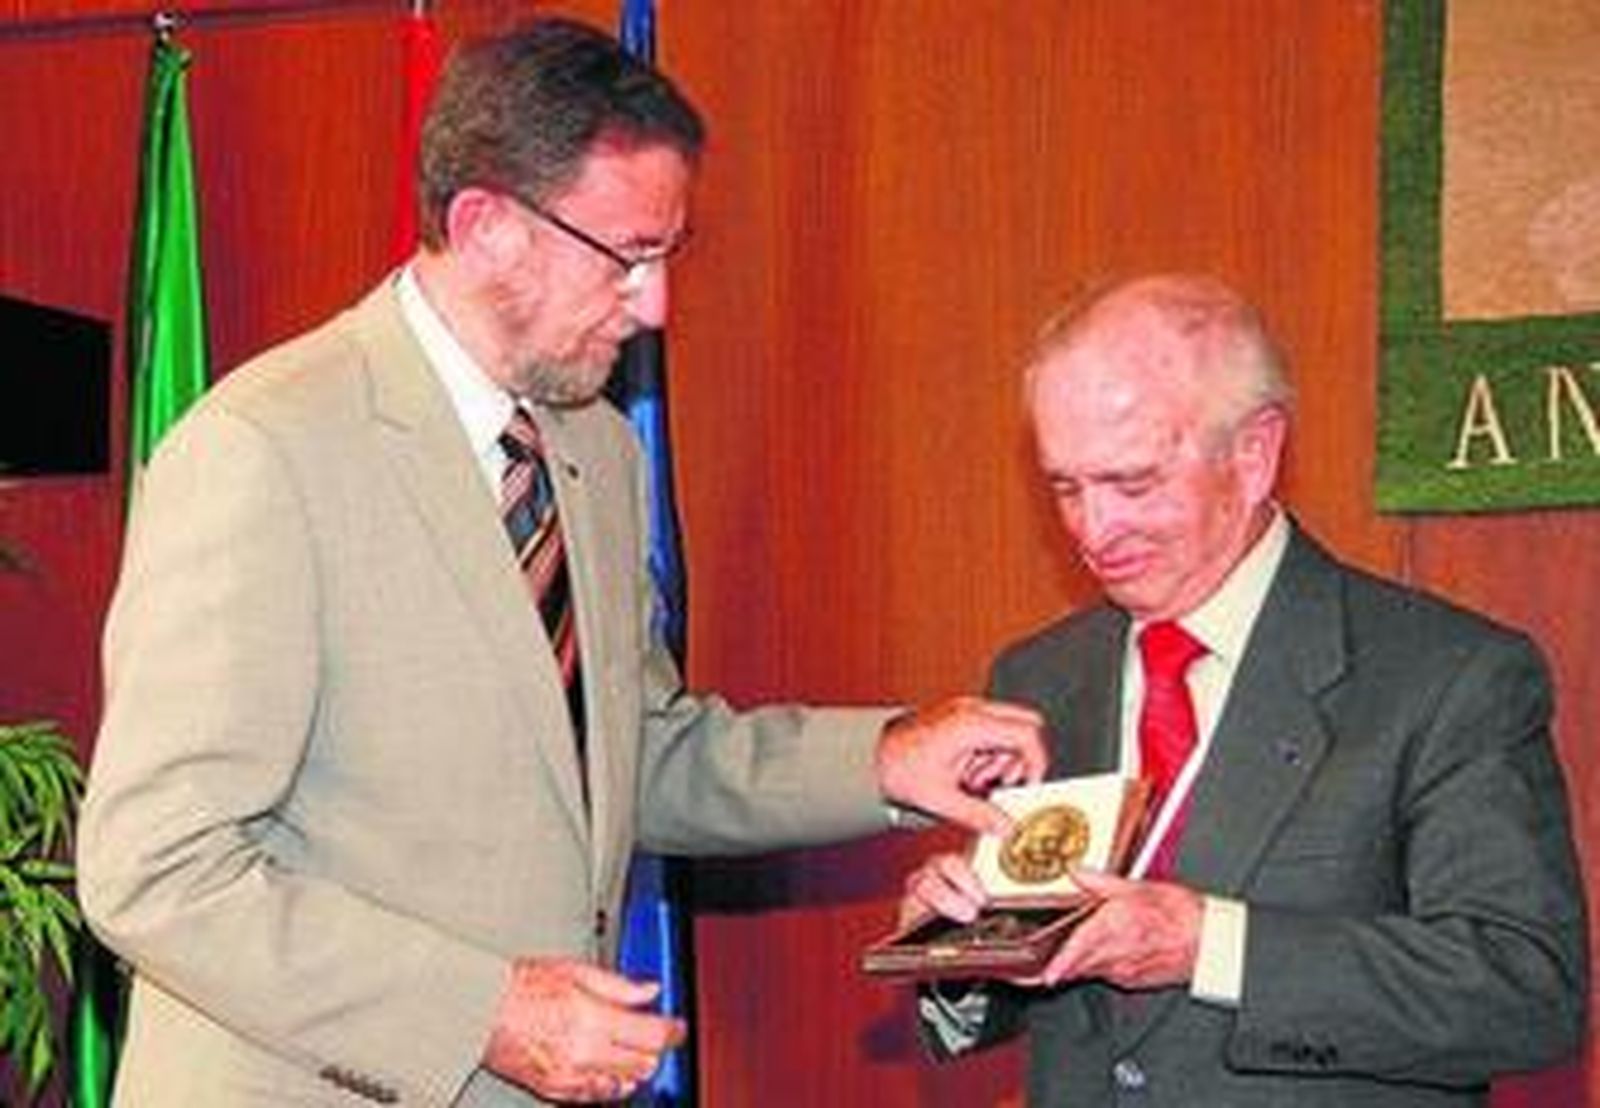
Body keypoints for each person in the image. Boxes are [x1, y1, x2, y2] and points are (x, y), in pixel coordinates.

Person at [76, 18, 1047, 1108]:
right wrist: (487, 1011)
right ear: (488, 225)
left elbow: (632, 750)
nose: (656, 306)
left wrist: (884, 761)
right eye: (628, 256)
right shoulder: (264, 449)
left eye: (667, 256)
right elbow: (156, 868)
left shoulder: (590, 449)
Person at [900, 273, 1587, 1106]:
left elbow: (1526, 996)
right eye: (1065, 487)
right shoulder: (1037, 679)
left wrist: (1213, 946)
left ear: (1254, 454)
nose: (1092, 530)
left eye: (1133, 482)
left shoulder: (1447, 677)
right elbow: (1041, 989)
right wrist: (960, 950)